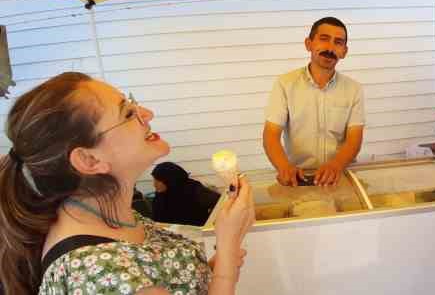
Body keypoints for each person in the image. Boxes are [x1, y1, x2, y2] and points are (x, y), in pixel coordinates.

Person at [0, 72, 255, 295]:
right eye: (128, 113)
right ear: (89, 160)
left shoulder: (106, 215)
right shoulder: (99, 271)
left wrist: (213, 268)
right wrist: (228, 255)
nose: (147, 113)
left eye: (133, 102)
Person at [263, 17, 365, 187]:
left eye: (338, 42)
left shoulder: (354, 89)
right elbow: (271, 135)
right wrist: (284, 167)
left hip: (339, 176)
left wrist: (336, 165)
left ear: (344, 52)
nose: (330, 48)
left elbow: (354, 139)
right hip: (298, 178)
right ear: (308, 43)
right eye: (324, 39)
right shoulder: (285, 84)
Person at [151, 161, 221, 226]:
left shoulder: (193, 189)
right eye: (154, 180)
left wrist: (210, 223)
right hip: (170, 235)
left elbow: (220, 203)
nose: (154, 184)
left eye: (158, 181)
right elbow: (157, 220)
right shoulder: (161, 194)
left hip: (196, 233)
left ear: (169, 180)